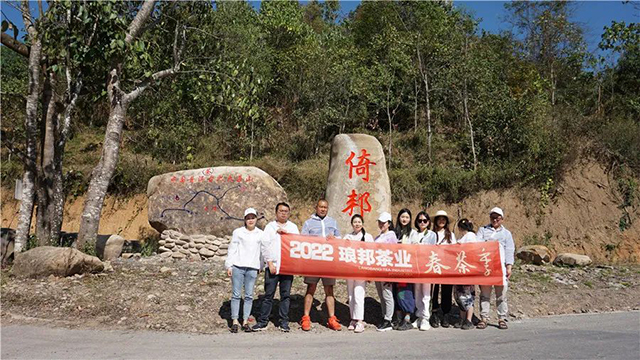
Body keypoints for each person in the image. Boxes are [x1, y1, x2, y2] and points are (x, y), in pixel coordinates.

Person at [252, 202, 299, 332]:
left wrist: (286, 234)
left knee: (285, 295)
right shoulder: (270, 227)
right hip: (273, 266)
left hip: (287, 267)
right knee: (268, 295)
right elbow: (265, 246)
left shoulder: (293, 227)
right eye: (281, 211)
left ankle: (284, 322)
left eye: (286, 211)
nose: (283, 213)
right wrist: (270, 263)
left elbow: (297, 244)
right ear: (276, 212)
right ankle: (263, 321)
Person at [299, 199, 342, 331]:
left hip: (328, 262)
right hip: (314, 261)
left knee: (329, 290)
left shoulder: (333, 222)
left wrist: (334, 239)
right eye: (321, 207)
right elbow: (302, 241)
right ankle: (305, 317)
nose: (323, 209)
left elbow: (339, 239)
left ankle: (332, 318)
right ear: (316, 207)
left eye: (325, 207)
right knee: (311, 288)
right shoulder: (308, 223)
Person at [476, 207, 515, 330]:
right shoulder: (483, 230)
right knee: (485, 294)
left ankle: (502, 318)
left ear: (502, 219)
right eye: (492, 217)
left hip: (500, 267)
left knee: (501, 294)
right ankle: (484, 318)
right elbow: (477, 245)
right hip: (486, 266)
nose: (495, 220)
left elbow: (509, 250)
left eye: (497, 217)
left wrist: (509, 266)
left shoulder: (506, 233)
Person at [225, 208, 264, 333]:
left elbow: (262, 252)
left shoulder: (261, 234)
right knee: (236, 295)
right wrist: (229, 265)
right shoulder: (238, 232)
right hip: (238, 266)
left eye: (253, 217)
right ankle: (235, 321)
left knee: (249, 295)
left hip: (252, 267)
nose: (250, 220)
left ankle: (245, 321)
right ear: (245, 219)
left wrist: (260, 266)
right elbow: (232, 249)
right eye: (248, 218)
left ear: (256, 219)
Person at [344, 214, 374, 333]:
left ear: (362, 223)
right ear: (352, 224)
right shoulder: (348, 236)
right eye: (355, 222)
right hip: (350, 270)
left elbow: (372, 253)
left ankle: (360, 321)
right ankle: (353, 319)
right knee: (351, 295)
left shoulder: (368, 236)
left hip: (362, 270)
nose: (357, 224)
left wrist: (370, 272)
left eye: (359, 222)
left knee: (359, 294)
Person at [410, 211, 437, 331]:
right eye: (420, 220)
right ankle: (419, 316)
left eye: (424, 221)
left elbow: (432, 249)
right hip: (416, 267)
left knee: (426, 293)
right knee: (417, 292)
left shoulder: (432, 234)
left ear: (428, 222)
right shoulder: (413, 233)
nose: (422, 223)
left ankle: (426, 318)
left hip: (427, 266)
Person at [430, 210, 457, 328]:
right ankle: (434, 313)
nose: (441, 221)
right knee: (433, 290)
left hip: (447, 266)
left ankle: (446, 313)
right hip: (433, 265)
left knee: (447, 290)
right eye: (439, 218)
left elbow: (455, 250)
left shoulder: (451, 235)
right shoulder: (431, 234)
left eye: (443, 219)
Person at [373, 211, 398, 332]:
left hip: (386, 269)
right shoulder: (378, 237)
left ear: (389, 223)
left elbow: (394, 253)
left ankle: (389, 319)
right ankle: (385, 317)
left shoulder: (392, 235)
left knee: (387, 294)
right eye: (380, 222)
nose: (381, 224)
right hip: (377, 269)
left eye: (384, 222)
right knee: (382, 295)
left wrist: (391, 273)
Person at [393, 209, 415, 331]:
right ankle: (398, 318)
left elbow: (416, 247)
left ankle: (407, 319)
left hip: (407, 267)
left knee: (406, 292)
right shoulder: (394, 233)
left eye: (407, 217)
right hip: (395, 267)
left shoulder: (413, 233)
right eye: (402, 217)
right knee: (396, 292)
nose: (404, 219)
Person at [454, 218, 477, 330]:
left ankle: (469, 319)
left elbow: (471, 251)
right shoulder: (461, 237)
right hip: (459, 269)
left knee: (467, 295)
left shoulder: (471, 236)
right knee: (459, 294)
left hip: (467, 269)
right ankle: (462, 318)